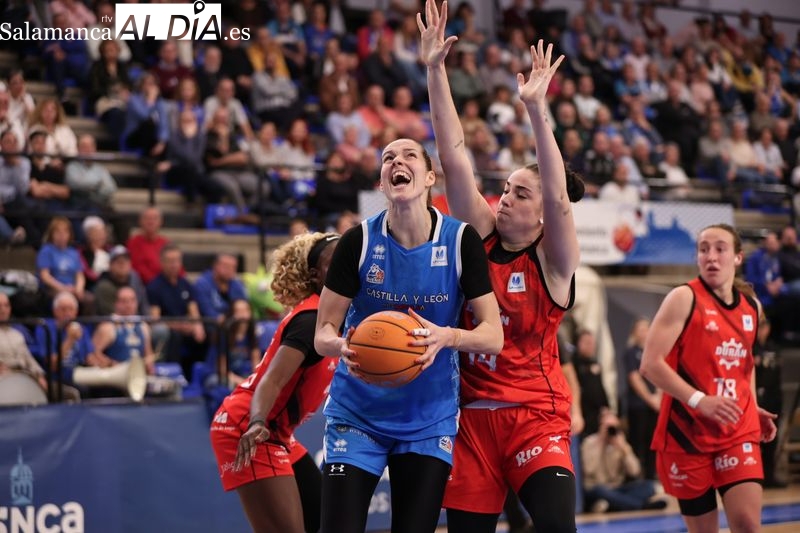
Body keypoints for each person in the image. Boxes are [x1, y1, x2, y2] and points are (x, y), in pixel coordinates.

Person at [313, 55, 503, 533]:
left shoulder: (460, 241)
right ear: (382, 182)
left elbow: (493, 335)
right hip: (356, 411)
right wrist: (341, 346)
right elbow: (323, 332)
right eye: (388, 159)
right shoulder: (358, 241)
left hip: (428, 417)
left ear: (429, 177)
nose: (397, 162)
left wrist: (446, 337)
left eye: (409, 156)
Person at [421, 2, 584, 531]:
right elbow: (453, 158)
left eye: (520, 194)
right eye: (506, 189)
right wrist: (435, 70)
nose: (506, 198)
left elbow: (558, 196)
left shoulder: (554, 260)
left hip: (535, 416)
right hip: (470, 419)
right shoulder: (481, 236)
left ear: (542, 213)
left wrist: (536, 108)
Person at [640, 224, 779, 533]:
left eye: (720, 249)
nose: (711, 256)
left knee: (748, 526)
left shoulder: (752, 308)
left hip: (737, 428)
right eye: (704, 249)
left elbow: (745, 364)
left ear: (738, 257)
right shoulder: (683, 298)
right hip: (687, 433)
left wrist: (752, 406)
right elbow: (650, 365)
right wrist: (699, 400)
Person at [210, 232, 341, 533]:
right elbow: (271, 381)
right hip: (249, 427)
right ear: (316, 275)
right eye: (335, 262)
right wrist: (257, 421)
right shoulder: (310, 322)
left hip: (278, 432)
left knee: (322, 518)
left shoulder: (339, 316)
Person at [581, 410, 666, 513]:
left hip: (617, 489)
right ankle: (641, 506)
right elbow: (589, 469)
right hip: (596, 488)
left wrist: (624, 449)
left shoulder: (620, 443)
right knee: (601, 491)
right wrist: (601, 443)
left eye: (614, 427)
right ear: (600, 426)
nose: (611, 431)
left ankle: (614, 506)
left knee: (648, 486)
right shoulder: (589, 442)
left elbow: (635, 471)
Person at [623, 318, 660, 481]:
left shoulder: (655, 351)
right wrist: (650, 399)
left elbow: (660, 374)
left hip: (655, 405)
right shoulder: (631, 353)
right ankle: (636, 479)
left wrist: (659, 396)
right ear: (634, 333)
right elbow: (634, 378)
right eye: (641, 330)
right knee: (637, 442)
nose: (644, 333)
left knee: (653, 442)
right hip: (638, 406)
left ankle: (651, 477)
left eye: (646, 329)